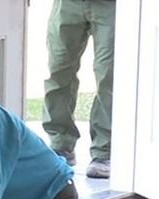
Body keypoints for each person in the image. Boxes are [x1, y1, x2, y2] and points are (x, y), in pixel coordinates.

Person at [42, 0, 116, 179]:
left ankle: (104, 152)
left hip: (112, 6)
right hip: (67, 4)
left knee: (109, 76)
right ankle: (60, 143)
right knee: (58, 71)